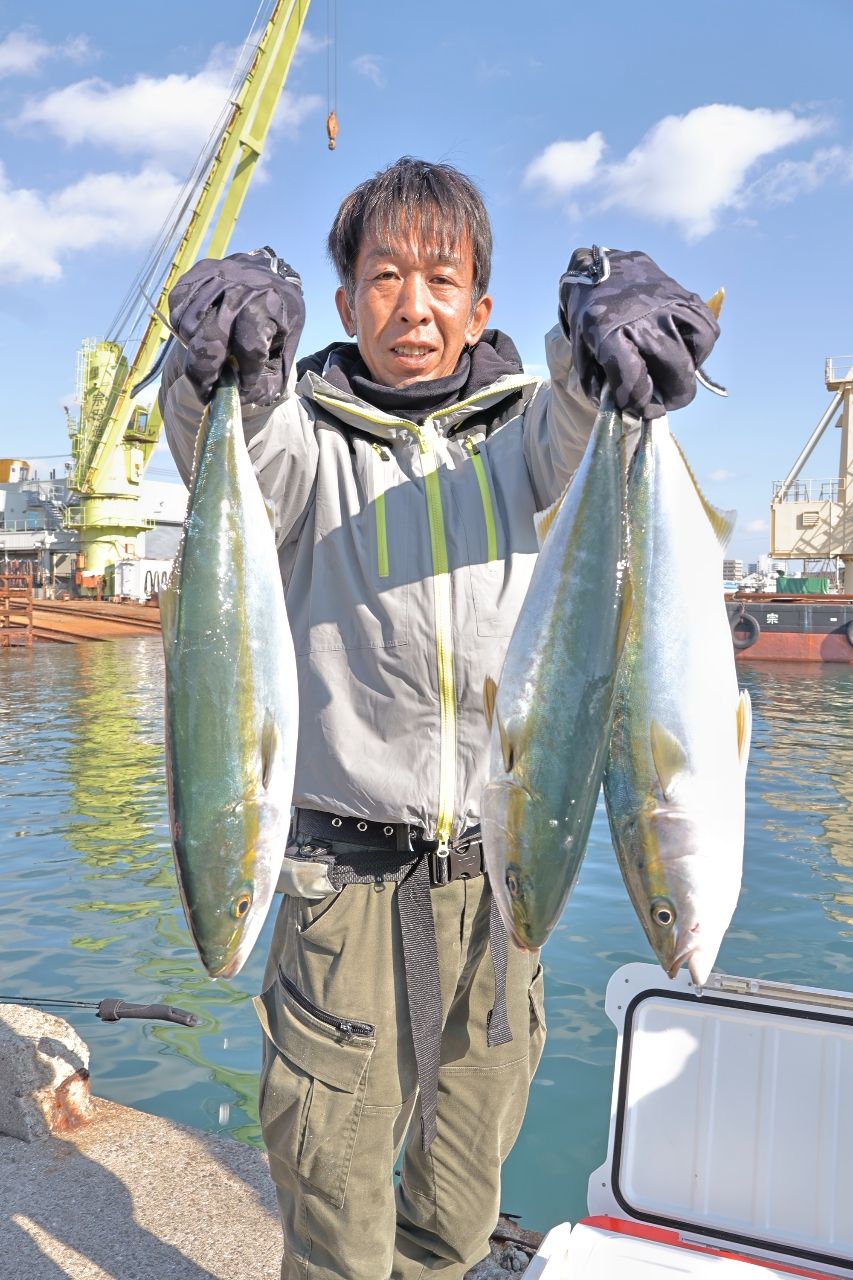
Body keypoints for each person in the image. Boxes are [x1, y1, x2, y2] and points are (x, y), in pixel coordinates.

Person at [160, 157, 719, 1280]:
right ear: (345, 297)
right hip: (340, 892)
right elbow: (230, 448)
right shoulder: (308, 444)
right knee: (334, 1197)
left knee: (462, 1199)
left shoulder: (523, 438)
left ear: (481, 305)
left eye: (440, 278)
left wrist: (602, 323)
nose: (411, 305)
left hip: (501, 875)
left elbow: (577, 412)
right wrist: (222, 366)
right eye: (380, 278)